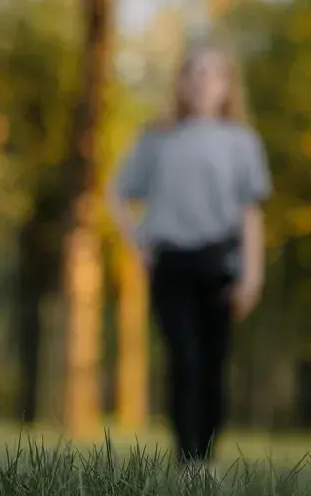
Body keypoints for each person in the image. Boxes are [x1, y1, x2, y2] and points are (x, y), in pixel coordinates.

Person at [107, 40, 271, 472]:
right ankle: (187, 462)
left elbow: (250, 213)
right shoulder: (158, 138)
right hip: (171, 266)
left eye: (211, 74)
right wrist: (138, 245)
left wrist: (252, 276)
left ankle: (207, 459)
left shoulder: (241, 143)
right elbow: (118, 193)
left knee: (213, 366)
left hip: (220, 265)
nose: (201, 82)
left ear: (226, 86)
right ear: (180, 83)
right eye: (193, 73)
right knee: (184, 359)